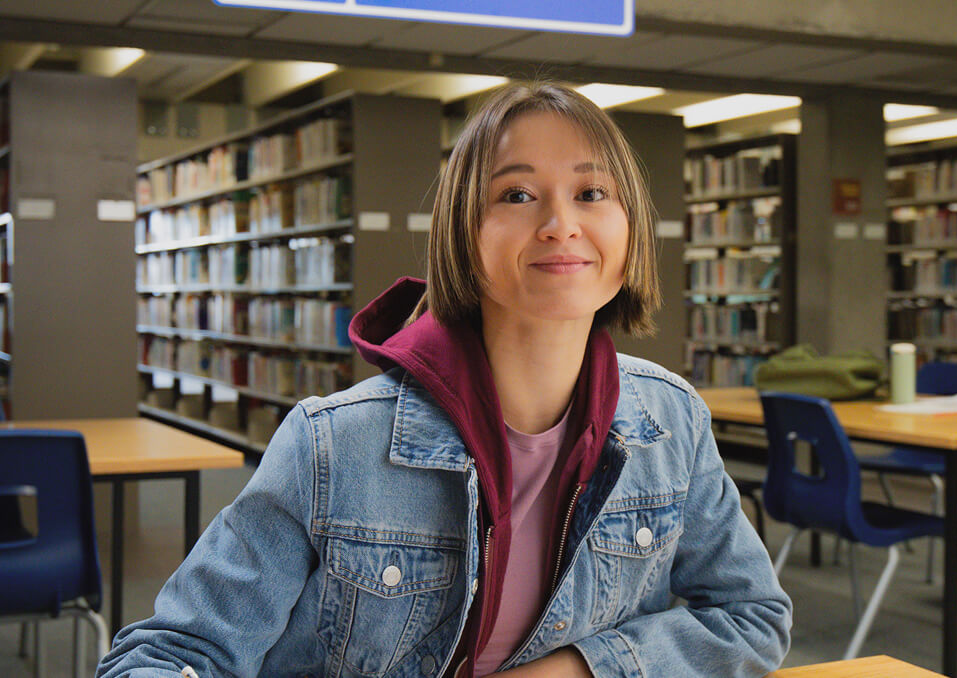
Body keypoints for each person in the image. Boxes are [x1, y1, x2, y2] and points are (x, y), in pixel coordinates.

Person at [98, 82, 792, 678]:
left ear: (631, 231)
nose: (560, 224)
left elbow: (753, 616)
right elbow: (173, 651)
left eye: (592, 192)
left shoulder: (672, 422)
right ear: (462, 231)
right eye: (517, 194)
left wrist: (580, 669)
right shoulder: (332, 445)